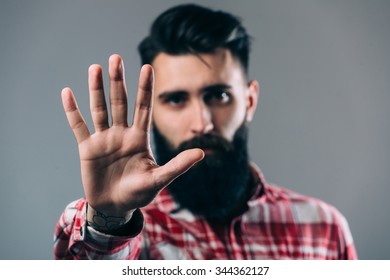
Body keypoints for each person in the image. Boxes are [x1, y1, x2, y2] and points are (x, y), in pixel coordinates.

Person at [54, 4, 357, 260]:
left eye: (219, 96)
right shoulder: (133, 239)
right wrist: (110, 219)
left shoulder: (325, 229)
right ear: (152, 113)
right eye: (175, 99)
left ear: (249, 102)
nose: (202, 123)